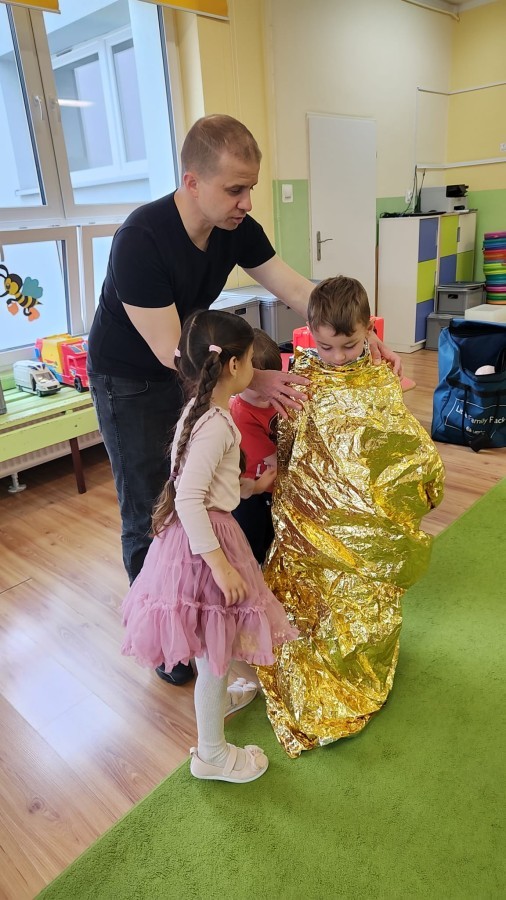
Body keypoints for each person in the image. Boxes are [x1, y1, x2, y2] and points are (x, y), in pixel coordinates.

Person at [87, 114, 400, 686]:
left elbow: (299, 289)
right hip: (131, 378)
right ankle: (163, 641)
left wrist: (362, 333)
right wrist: (251, 380)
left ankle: (204, 611)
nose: (247, 202)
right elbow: (171, 351)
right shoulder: (140, 240)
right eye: (235, 188)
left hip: (196, 366)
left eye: (251, 186)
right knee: (153, 504)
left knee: (206, 491)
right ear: (192, 182)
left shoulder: (236, 228)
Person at [257, 276, 445, 757]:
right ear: (309, 333)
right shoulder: (301, 377)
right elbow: (290, 446)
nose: (338, 357)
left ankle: (357, 666)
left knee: (362, 595)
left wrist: (424, 478)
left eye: (350, 345)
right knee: (313, 595)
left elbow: (398, 439)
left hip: (367, 517)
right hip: (310, 515)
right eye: (326, 347)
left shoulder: (379, 375)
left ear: (369, 331)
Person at [121, 310, 299, 783]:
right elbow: (188, 497)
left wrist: (250, 487)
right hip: (204, 546)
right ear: (235, 366)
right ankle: (212, 754)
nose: (255, 370)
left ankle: (220, 710)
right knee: (212, 649)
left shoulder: (203, 412)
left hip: (197, 538)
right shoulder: (217, 423)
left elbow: (205, 484)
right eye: (252, 362)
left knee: (211, 644)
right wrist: (220, 566)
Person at [230, 329, 281, 564]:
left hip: (271, 486)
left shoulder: (271, 398)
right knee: (253, 544)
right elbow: (276, 461)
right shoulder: (242, 415)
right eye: (256, 386)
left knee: (271, 539)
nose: (264, 393)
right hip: (252, 493)